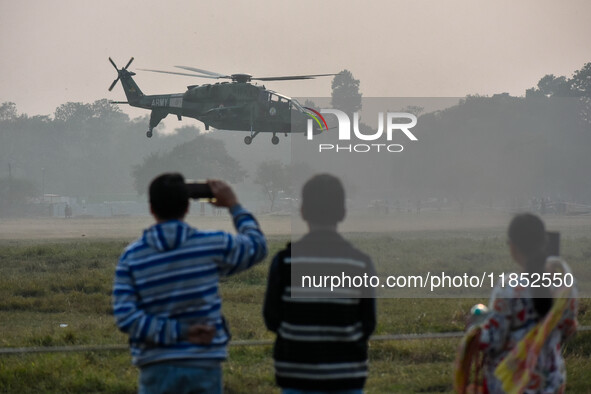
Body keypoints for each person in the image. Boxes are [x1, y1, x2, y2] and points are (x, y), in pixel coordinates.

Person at [112, 173, 267, 394]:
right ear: (187, 207)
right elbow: (258, 246)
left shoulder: (132, 257)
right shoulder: (210, 244)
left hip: (156, 368)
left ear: (151, 208)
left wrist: (178, 332)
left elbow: (126, 317)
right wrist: (234, 205)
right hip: (203, 366)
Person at [263, 174, 377, 394]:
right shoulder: (360, 264)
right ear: (343, 212)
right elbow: (368, 323)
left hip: (296, 377)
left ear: (303, 211)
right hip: (346, 377)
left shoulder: (285, 262)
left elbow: (271, 318)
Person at [455, 213, 578, 393]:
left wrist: (474, 326)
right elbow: (568, 330)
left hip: (513, 383)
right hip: (551, 381)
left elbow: (494, 339)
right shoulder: (566, 287)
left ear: (513, 246)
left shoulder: (508, 288)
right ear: (543, 242)